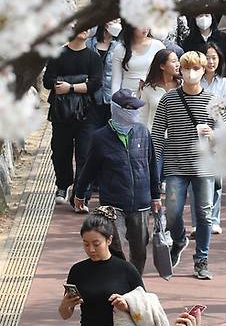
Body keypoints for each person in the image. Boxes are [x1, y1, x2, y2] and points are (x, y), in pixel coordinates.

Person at [73, 90, 161, 274]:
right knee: (115, 245)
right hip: (113, 203)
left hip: (141, 203)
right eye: (129, 108)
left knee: (140, 249)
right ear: (117, 110)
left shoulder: (143, 132)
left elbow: (152, 165)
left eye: (136, 108)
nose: (134, 113)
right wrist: (80, 193)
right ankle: (120, 280)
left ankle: (135, 281)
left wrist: (155, 196)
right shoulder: (100, 138)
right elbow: (89, 169)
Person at [151, 50, 218, 280]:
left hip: (204, 166)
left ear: (204, 70)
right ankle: (179, 239)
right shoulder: (169, 99)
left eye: (196, 69)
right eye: (187, 68)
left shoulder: (212, 101)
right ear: (180, 69)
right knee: (173, 213)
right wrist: (154, 164)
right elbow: (157, 134)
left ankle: (202, 259)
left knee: (204, 214)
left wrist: (214, 134)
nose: (191, 73)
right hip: (175, 165)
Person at [43, 27, 102, 203]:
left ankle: (80, 192)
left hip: (87, 112)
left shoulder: (93, 57)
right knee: (60, 151)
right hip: (61, 113)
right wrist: (78, 83)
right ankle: (63, 185)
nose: (84, 30)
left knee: (85, 153)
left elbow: (95, 83)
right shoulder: (57, 54)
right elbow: (47, 81)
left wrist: (69, 87)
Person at [197, 40, 226, 233]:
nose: (211, 62)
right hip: (196, 132)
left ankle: (214, 219)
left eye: (214, 58)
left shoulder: (225, 83)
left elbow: (224, 110)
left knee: (216, 180)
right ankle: (198, 222)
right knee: (197, 179)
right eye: (207, 58)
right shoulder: (193, 81)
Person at [86, 18, 122, 129]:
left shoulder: (120, 45)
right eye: (114, 21)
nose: (117, 25)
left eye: (119, 22)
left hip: (111, 97)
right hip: (90, 97)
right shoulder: (90, 43)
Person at [110, 22, 164, 95]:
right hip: (128, 97)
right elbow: (116, 80)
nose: (145, 28)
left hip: (151, 95)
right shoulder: (120, 49)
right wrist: (116, 98)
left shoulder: (158, 46)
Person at [139, 48, 180, 129]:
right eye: (173, 61)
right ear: (162, 66)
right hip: (154, 137)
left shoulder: (183, 86)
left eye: (178, 60)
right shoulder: (148, 89)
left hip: (178, 137)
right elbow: (143, 117)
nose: (178, 64)